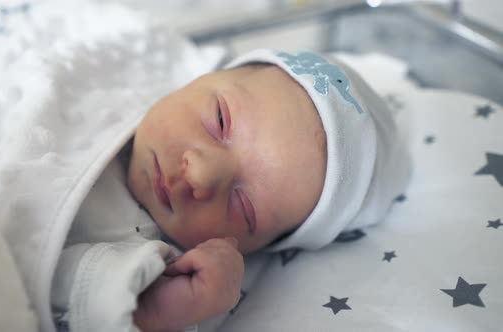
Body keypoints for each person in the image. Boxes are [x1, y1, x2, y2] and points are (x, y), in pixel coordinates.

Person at [50, 49, 411, 332]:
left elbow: (61, 303)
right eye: (220, 120)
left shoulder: (142, 259)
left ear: (254, 248)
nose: (202, 175)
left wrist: (160, 308)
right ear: (206, 76)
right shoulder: (109, 79)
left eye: (244, 208)